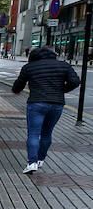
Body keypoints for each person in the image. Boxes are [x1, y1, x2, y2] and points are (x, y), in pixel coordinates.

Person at [12, 46, 81, 174]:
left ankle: (32, 163)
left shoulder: (30, 67)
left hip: (36, 103)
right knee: (47, 133)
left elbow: (18, 85)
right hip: (57, 103)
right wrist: (62, 90)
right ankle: (40, 159)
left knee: (33, 133)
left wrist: (16, 91)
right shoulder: (64, 65)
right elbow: (75, 81)